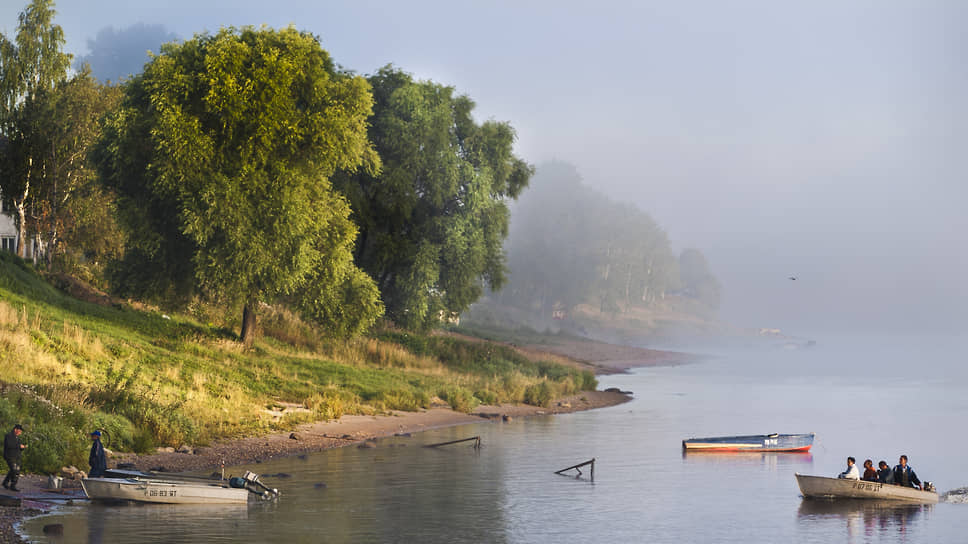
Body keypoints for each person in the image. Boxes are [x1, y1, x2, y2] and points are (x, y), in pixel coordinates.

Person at [2, 424, 27, 492]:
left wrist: (23, 447)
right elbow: (9, 445)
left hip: (17, 457)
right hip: (9, 456)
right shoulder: (8, 436)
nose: (20, 432)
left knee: (16, 470)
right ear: (15, 429)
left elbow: (18, 448)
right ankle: (13, 486)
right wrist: (19, 446)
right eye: (20, 431)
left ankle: (5, 482)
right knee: (14, 470)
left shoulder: (18, 438)